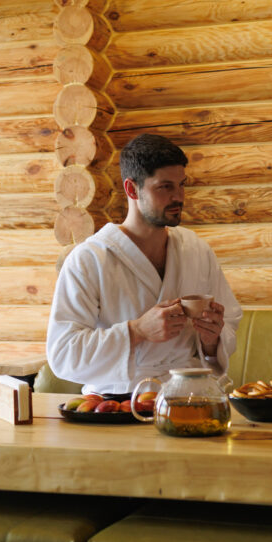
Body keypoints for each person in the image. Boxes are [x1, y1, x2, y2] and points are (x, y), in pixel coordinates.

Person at [46, 134, 242, 396]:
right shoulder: (89, 259)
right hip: (117, 403)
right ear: (131, 189)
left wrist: (211, 340)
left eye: (182, 185)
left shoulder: (196, 250)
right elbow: (63, 356)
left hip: (190, 397)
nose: (179, 197)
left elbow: (229, 323)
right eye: (165, 187)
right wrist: (136, 331)